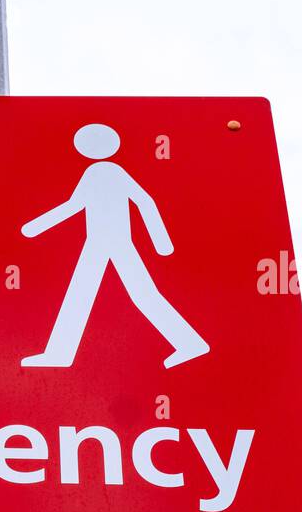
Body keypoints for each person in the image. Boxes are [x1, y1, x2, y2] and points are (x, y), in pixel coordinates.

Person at [21, 123, 209, 369]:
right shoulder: (98, 171)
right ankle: (60, 354)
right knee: (85, 294)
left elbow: (144, 201)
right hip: (100, 242)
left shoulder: (107, 171)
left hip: (114, 242)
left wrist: (162, 242)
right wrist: (36, 226)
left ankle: (190, 344)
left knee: (134, 295)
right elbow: (76, 205)